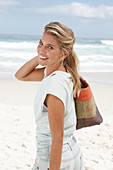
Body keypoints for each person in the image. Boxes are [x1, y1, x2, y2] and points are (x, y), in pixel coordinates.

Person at [15, 22, 84, 170]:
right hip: (71, 150)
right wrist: (42, 55)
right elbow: (20, 75)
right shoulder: (61, 72)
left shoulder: (53, 86)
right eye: (41, 43)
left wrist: (43, 55)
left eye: (50, 47)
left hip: (54, 155)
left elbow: (57, 138)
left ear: (63, 54)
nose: (42, 48)